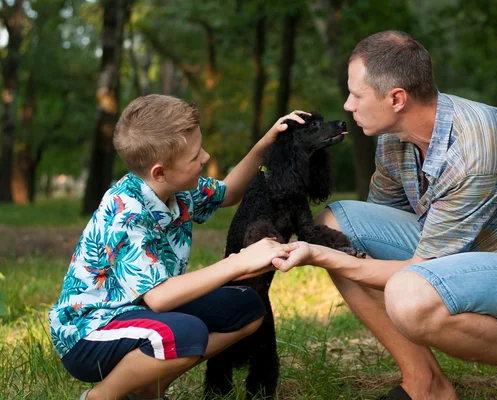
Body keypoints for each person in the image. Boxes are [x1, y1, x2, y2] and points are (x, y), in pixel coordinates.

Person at [272, 31, 497, 400]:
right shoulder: (396, 136)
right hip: (462, 258)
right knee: (333, 228)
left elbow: (417, 269)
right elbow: (378, 226)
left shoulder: (475, 149)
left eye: (356, 95)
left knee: (410, 296)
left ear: (396, 98)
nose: (347, 105)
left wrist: (323, 257)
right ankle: (426, 383)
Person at [48, 94, 308, 400]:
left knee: (247, 308)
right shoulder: (125, 212)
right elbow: (160, 298)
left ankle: (146, 389)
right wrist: (237, 263)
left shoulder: (177, 188)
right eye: (195, 155)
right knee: (185, 333)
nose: (206, 157)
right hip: (90, 333)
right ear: (160, 171)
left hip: (140, 312)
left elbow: (229, 193)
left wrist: (265, 143)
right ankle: (101, 397)